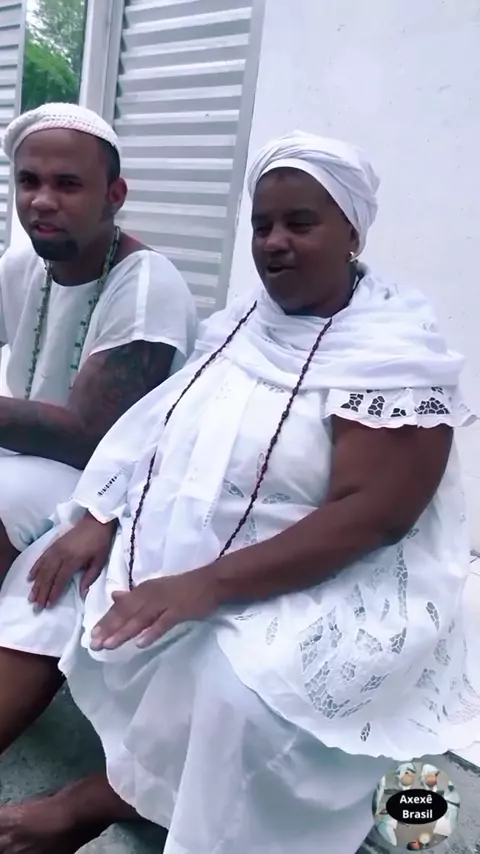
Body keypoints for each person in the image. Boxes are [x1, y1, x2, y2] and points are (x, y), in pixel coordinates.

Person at [0, 130, 478, 854]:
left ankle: (92, 805)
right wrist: (100, 513)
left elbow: (373, 518)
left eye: (299, 223)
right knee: (54, 576)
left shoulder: (394, 360)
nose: (274, 242)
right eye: (262, 225)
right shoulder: (244, 326)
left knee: (232, 686)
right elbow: (157, 421)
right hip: (197, 553)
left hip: (327, 582)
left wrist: (206, 585)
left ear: (352, 231)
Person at [0, 102, 196, 577]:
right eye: (29, 181)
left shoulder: (147, 286)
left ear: (114, 195)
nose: (42, 200)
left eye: (67, 184)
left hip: (106, 484)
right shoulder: (23, 264)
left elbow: (89, 438)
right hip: (28, 453)